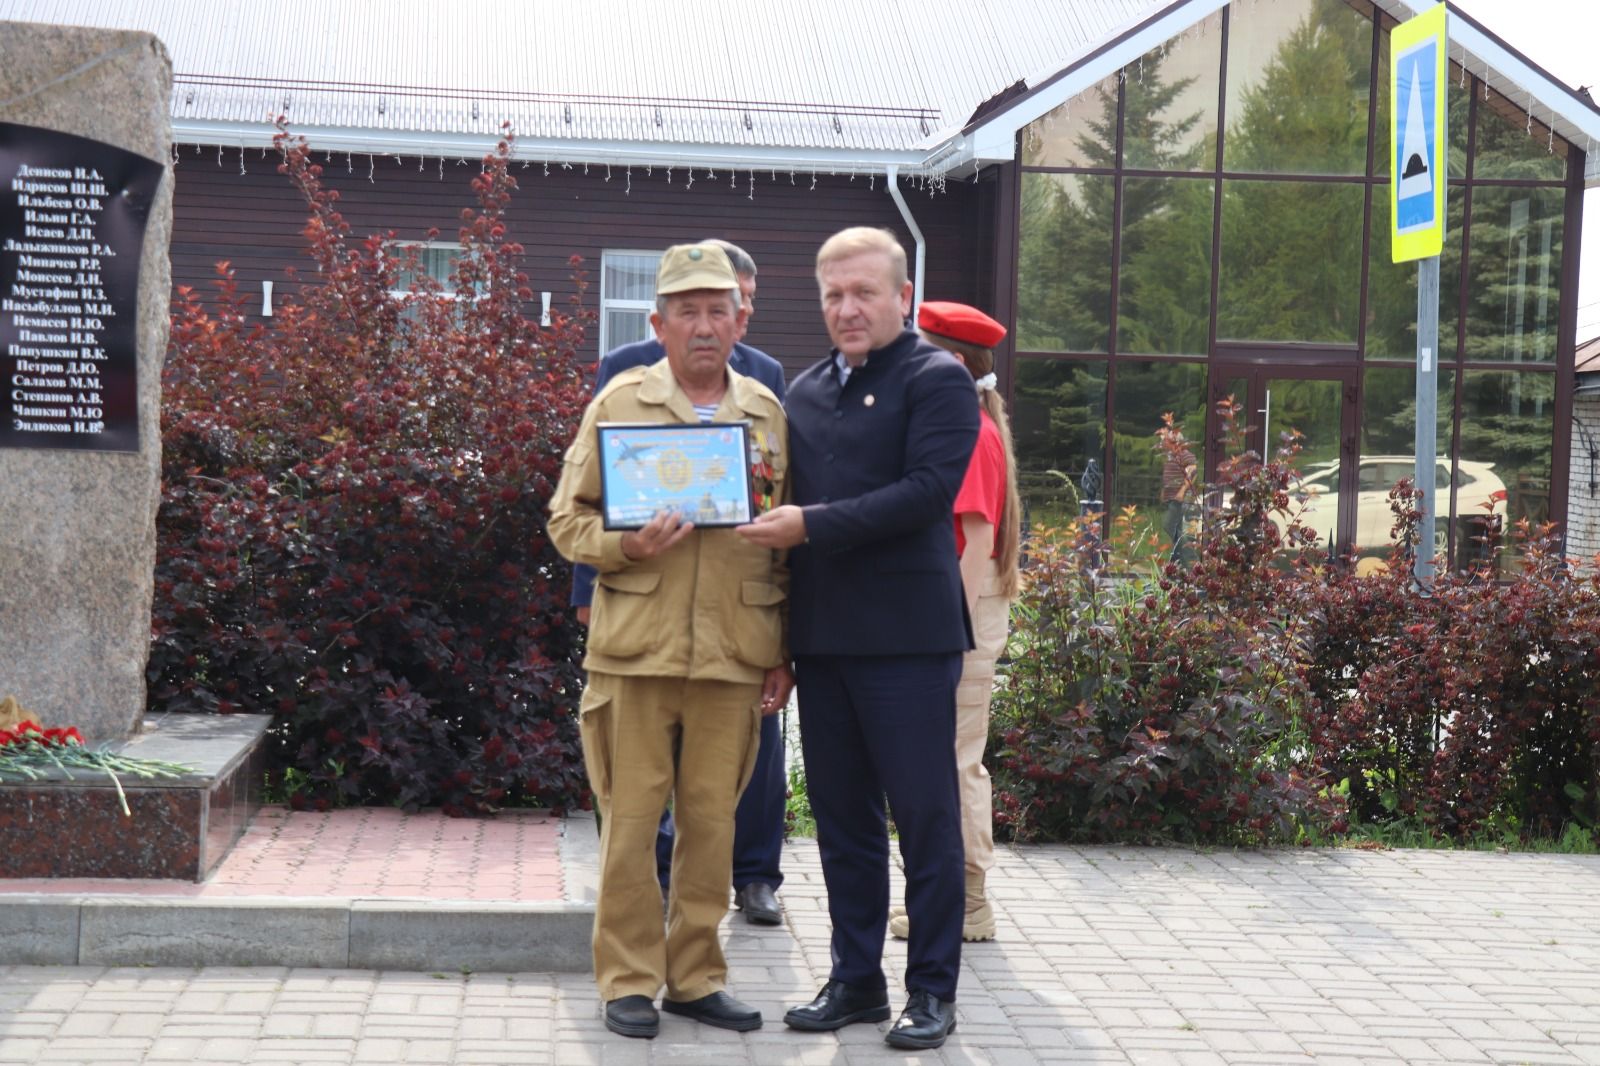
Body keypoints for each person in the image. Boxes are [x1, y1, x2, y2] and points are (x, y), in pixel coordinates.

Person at [738, 226, 979, 1051]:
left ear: (901, 296)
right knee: (841, 821)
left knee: (924, 818)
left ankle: (933, 991)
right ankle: (856, 981)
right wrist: (781, 640)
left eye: (864, 292)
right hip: (827, 641)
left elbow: (926, 494)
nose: (847, 308)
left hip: (909, 642)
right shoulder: (802, 393)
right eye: (833, 295)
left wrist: (809, 524)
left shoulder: (938, 381)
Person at [548, 243, 793, 1040]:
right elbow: (566, 519)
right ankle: (627, 979)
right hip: (635, 651)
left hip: (733, 652)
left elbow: (788, 543)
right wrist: (627, 548)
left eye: (717, 310)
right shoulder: (619, 401)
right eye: (685, 311)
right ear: (657, 323)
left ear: (740, 318)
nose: (703, 326)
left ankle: (694, 977)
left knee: (713, 824)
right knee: (629, 823)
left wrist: (783, 651)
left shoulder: (766, 411)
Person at [885, 301, 1021, 946]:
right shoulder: (967, 423)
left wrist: (946, 636)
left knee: (955, 763)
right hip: (957, 615)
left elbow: (972, 541)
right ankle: (950, 897)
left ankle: (967, 904)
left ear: (954, 362)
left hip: (958, 618)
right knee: (947, 761)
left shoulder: (968, 430)